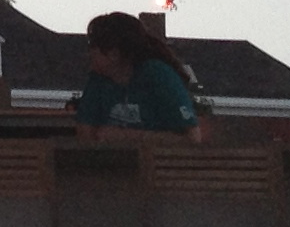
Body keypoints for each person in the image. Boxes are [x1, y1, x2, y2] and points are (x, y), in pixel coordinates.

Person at [72, 11, 201, 135]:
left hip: (159, 152)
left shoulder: (158, 76)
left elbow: (191, 136)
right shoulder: (98, 80)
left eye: (92, 46)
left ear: (114, 54)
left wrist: (125, 136)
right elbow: (85, 131)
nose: (88, 53)